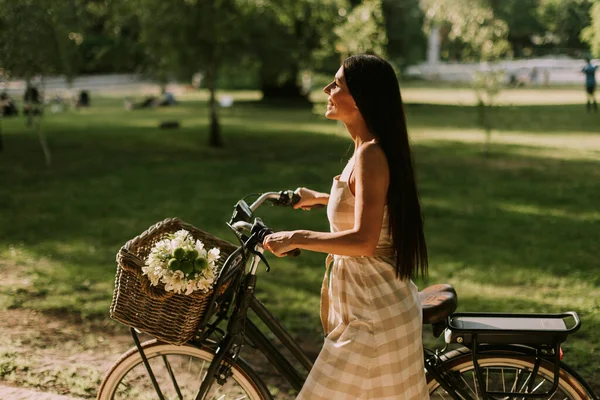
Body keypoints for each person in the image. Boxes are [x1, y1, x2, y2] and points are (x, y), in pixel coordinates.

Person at [263, 54, 429, 399]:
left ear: (361, 97)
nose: (327, 89)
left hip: (373, 316)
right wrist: (322, 198)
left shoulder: (371, 154)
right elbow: (371, 205)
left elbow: (365, 240)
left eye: (336, 83)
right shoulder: (365, 151)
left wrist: (297, 237)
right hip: (368, 306)